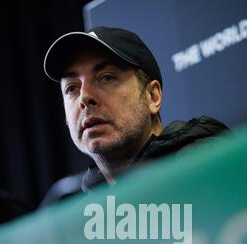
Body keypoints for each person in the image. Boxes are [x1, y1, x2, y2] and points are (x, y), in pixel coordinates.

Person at [42, 26, 230, 204]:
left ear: (152, 96)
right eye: (71, 88)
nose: (85, 97)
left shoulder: (209, 166)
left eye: (107, 78)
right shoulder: (79, 216)